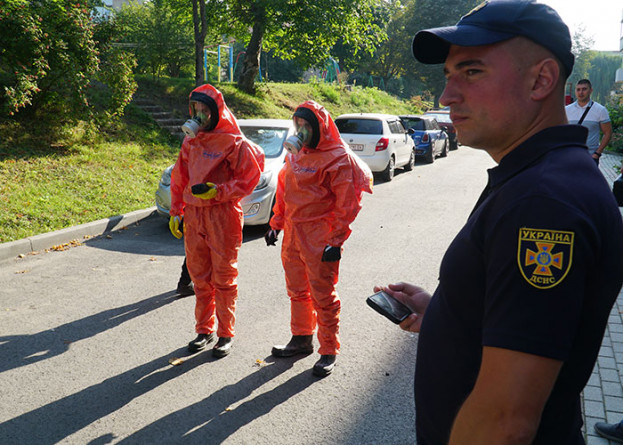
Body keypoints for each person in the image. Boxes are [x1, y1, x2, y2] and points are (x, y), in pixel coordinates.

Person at [376, 1, 623, 443]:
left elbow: (505, 422)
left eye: (471, 72)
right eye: (448, 75)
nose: (446, 96)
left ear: (541, 80)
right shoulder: (540, 175)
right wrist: (448, 313)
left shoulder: (543, 203)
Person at [266, 100, 373, 377]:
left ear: (320, 129)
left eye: (307, 126)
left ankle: (328, 349)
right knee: (297, 291)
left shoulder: (338, 159)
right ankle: (301, 338)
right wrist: (276, 224)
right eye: (298, 125)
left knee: (323, 294)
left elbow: (347, 204)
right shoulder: (295, 155)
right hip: (294, 233)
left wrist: (335, 241)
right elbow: (285, 190)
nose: (301, 130)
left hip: (320, 236)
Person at [169, 84, 264, 358]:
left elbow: (249, 178)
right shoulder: (191, 141)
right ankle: (204, 330)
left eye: (205, 110)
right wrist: (176, 210)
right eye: (196, 109)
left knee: (224, 278)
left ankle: (225, 333)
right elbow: (180, 177)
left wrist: (219, 191)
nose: (199, 115)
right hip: (194, 215)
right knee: (200, 278)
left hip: (222, 215)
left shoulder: (234, 142)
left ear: (216, 112)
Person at [565, 79, 613, 164]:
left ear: (590, 90)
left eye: (584, 89)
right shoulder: (567, 110)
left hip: (590, 157)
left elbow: (608, 133)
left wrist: (597, 153)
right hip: (570, 156)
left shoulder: (600, 110)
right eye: (578, 89)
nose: (581, 92)